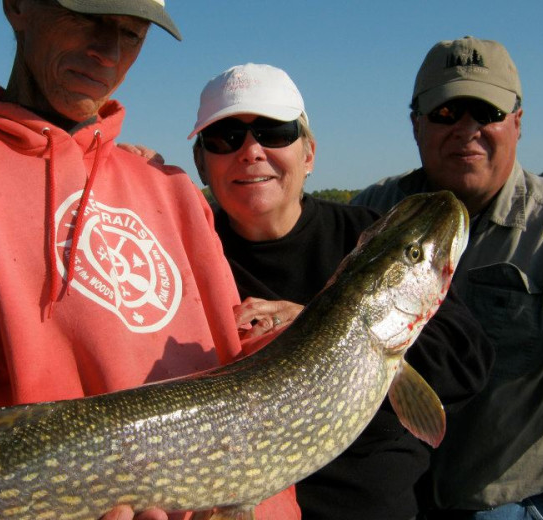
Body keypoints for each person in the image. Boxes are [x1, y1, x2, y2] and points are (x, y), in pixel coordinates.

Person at [0, 3, 299, 520]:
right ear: (18, 6)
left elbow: (220, 344)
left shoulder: (170, 188)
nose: (108, 50)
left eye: (131, 32)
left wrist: (285, 335)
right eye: (88, 16)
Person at [188, 62, 494, 520]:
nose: (251, 151)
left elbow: (468, 363)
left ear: (308, 153)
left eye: (275, 132)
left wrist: (323, 325)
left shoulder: (368, 237)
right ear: (202, 165)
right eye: (225, 137)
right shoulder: (181, 257)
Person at [353, 36, 543, 519]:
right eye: (445, 113)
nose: (466, 130)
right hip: (393, 501)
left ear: (517, 123)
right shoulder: (370, 214)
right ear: (416, 124)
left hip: (508, 503)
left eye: (486, 112)